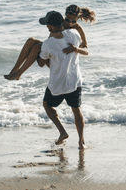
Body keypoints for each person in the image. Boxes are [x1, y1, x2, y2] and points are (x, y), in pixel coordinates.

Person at [36, 10, 87, 149]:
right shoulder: (75, 35)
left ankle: (62, 132)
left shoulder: (47, 44)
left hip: (58, 84)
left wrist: (36, 52)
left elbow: (41, 63)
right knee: (77, 110)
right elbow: (83, 46)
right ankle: (81, 142)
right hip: (74, 81)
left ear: (51, 27)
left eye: (47, 25)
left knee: (47, 105)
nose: (47, 27)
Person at [4, 4, 96, 80]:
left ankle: (19, 73)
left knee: (37, 47)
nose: (69, 23)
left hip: (61, 63)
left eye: (73, 21)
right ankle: (15, 70)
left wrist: (76, 49)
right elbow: (50, 40)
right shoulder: (61, 23)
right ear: (65, 16)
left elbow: (87, 51)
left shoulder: (78, 29)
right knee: (31, 40)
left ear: (78, 18)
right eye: (67, 19)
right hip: (53, 54)